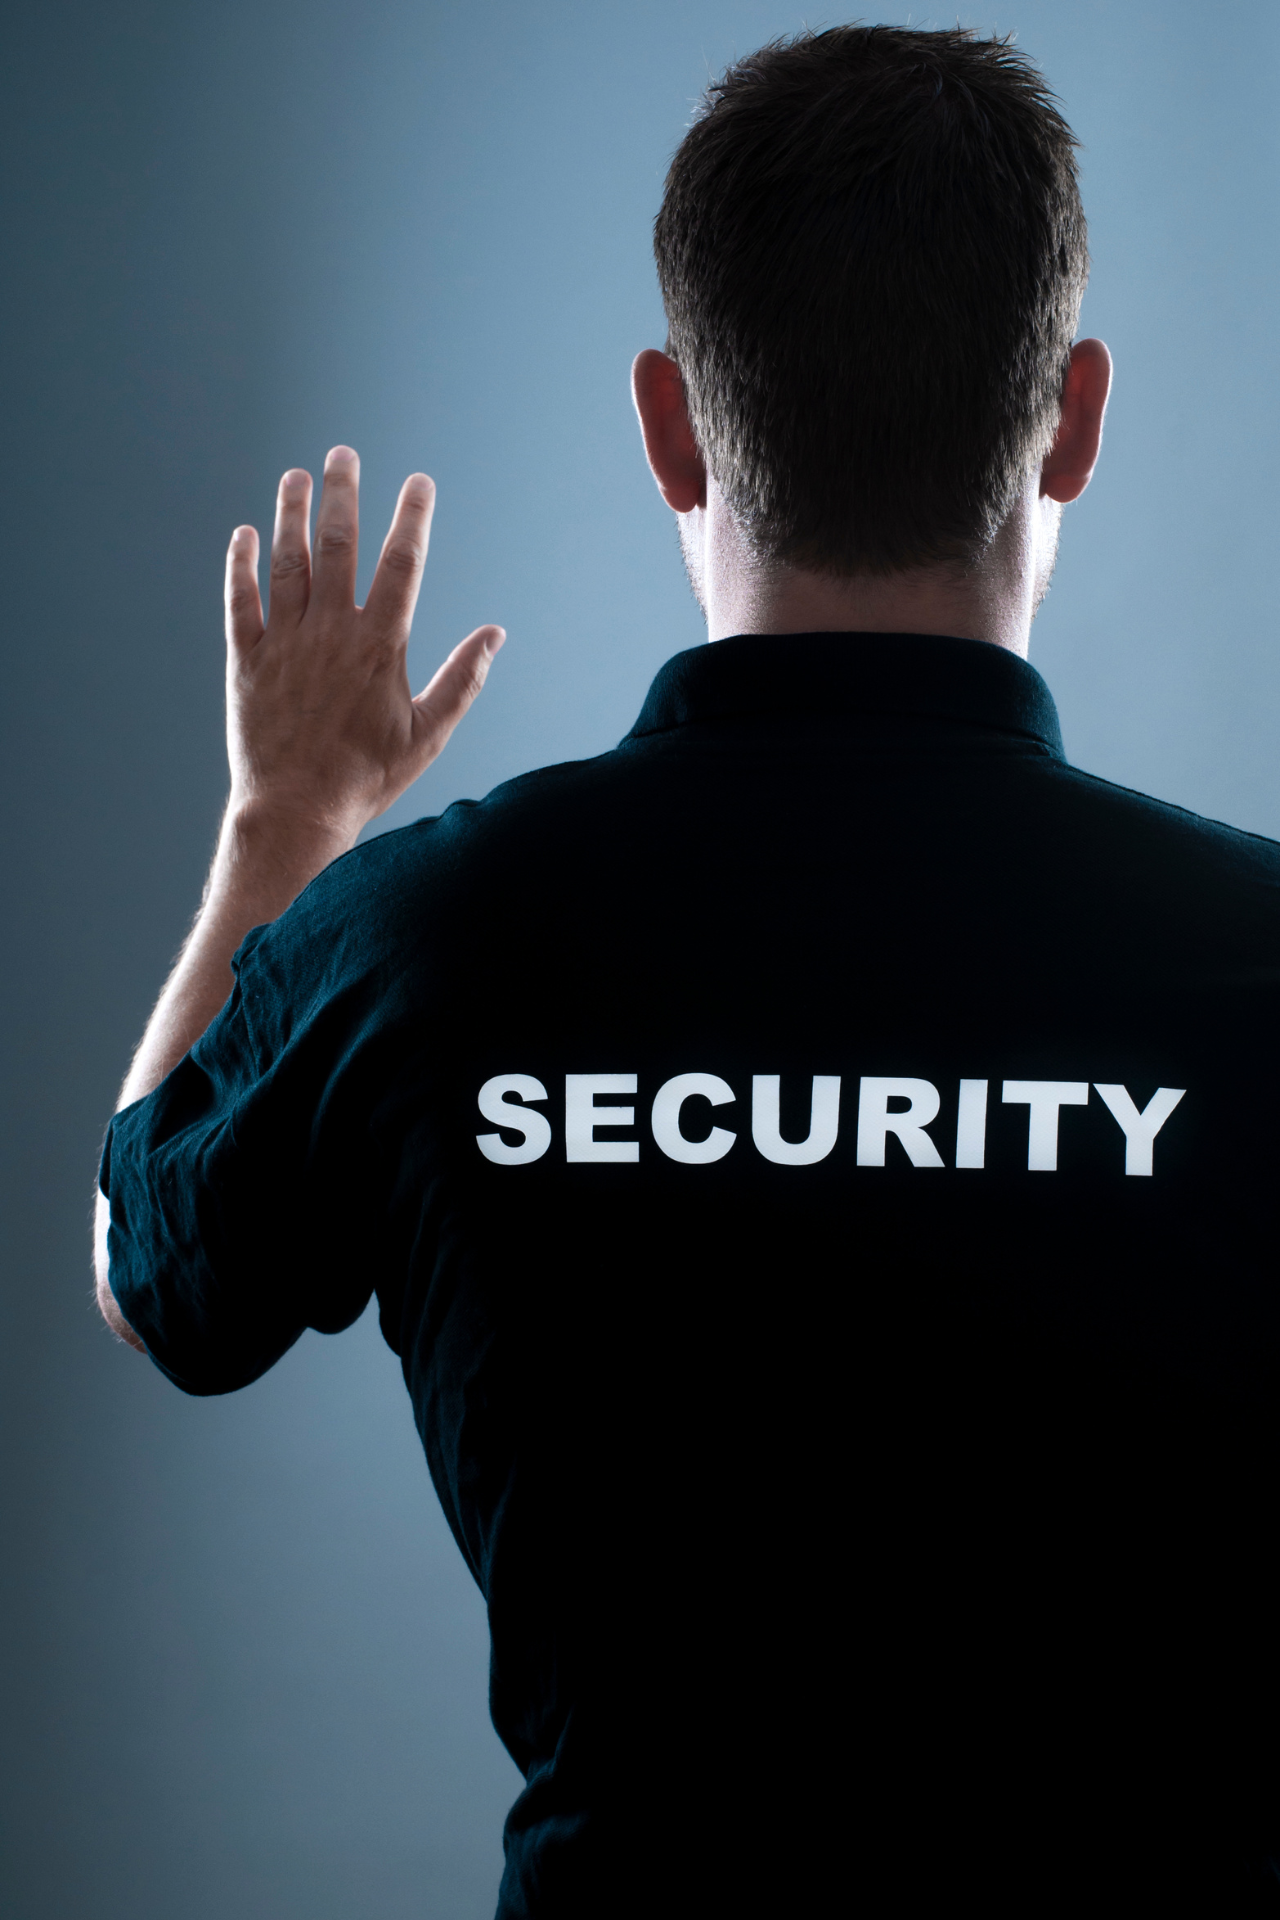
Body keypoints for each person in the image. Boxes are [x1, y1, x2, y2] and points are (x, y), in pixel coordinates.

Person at [94, 23, 1280, 1914]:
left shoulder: (414, 942)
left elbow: (155, 1279)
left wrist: (283, 823)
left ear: (669, 422)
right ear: (1072, 415)